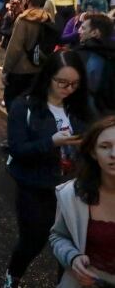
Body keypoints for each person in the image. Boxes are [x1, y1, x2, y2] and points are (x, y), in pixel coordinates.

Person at [3, 51, 90, 288]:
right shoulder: (24, 106)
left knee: (71, 241)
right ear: (48, 77)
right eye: (62, 82)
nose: (68, 89)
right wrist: (51, 142)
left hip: (71, 186)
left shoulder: (77, 107)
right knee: (33, 239)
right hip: (35, 186)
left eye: (74, 84)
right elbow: (18, 149)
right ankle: (13, 276)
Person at [49, 116, 115, 288]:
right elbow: (58, 236)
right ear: (93, 153)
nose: (114, 154)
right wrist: (73, 257)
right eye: (105, 146)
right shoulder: (73, 195)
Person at [2, 0, 54, 111]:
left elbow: (15, 47)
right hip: (39, 66)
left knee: (14, 103)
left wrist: (6, 69)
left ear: (28, 0)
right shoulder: (48, 18)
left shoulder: (23, 19)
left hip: (20, 68)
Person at [75, 13, 115, 116]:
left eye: (83, 28)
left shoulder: (84, 55)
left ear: (95, 33)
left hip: (89, 115)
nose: (79, 31)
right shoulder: (110, 53)